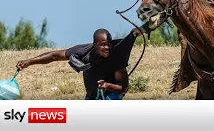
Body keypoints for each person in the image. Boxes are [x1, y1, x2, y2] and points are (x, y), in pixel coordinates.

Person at [16, 26, 147, 100]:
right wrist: (29, 62)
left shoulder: (117, 55)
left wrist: (107, 86)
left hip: (111, 96)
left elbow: (124, 89)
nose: (107, 48)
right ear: (95, 44)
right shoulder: (83, 51)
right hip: (91, 97)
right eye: (103, 45)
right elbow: (54, 56)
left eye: (108, 44)